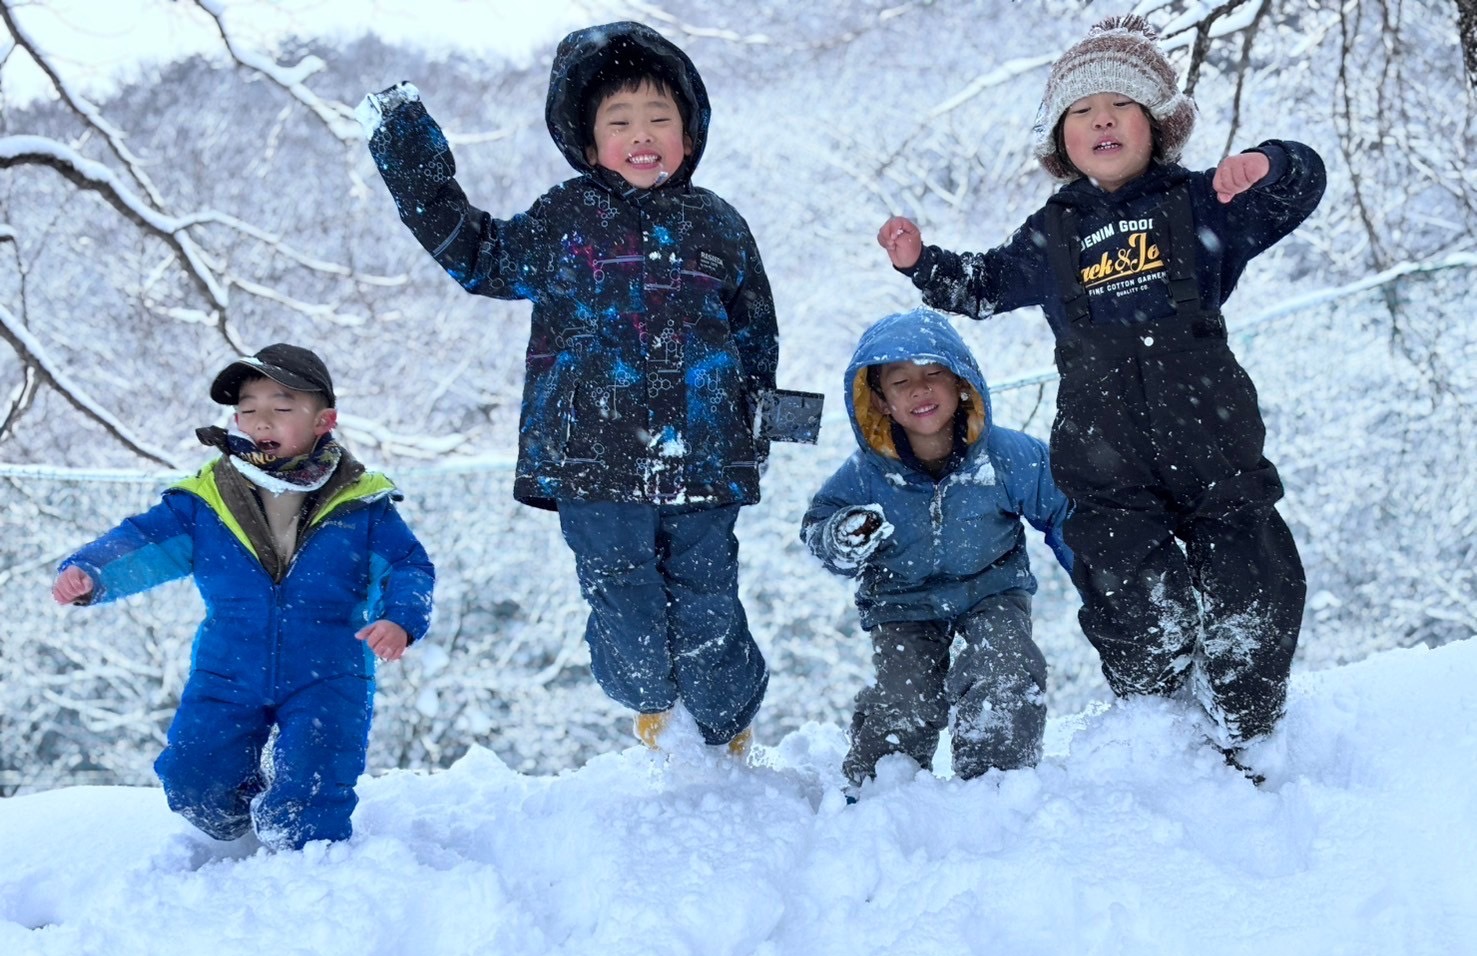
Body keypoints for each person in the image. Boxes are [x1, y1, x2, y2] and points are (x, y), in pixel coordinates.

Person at [876, 15, 1325, 768]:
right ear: (1061, 141)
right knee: (1126, 589)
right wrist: (922, 264)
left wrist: (1272, 164)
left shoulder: (1199, 203)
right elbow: (983, 284)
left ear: (1156, 126)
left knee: (1255, 579)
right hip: (1105, 451)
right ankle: (1159, 723)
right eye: (1082, 111)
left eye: (1121, 106)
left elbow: (1296, 190)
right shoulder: (1052, 234)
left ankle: (1245, 722)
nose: (1102, 120)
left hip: (1210, 437)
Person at [358, 22, 783, 756]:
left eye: (660, 119)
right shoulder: (564, 219)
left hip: (706, 460)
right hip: (595, 460)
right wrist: (407, 151)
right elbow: (478, 256)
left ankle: (724, 721)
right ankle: (649, 702)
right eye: (619, 122)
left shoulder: (718, 221)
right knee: (627, 607)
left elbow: (756, 335)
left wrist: (758, 430)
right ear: (588, 143)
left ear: (689, 135)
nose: (641, 134)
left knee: (710, 603)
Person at [51, 345, 435, 850]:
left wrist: (401, 619)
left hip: (331, 671)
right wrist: (91, 571)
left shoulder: (362, 502)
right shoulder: (206, 499)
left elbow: (409, 565)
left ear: (324, 420)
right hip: (228, 668)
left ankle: (305, 873)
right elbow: (146, 540)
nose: (261, 421)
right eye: (248, 409)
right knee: (194, 780)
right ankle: (240, 835)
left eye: (281, 406)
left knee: (312, 795)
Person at [802, 309, 1073, 795]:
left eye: (933, 374)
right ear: (880, 401)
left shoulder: (1009, 456)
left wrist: (1103, 584)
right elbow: (820, 531)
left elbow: (1066, 515)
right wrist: (842, 536)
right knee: (907, 700)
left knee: (1005, 668)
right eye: (900, 381)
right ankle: (880, 790)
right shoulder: (865, 475)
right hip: (902, 604)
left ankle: (997, 785)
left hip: (992, 590)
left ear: (961, 382)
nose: (919, 389)